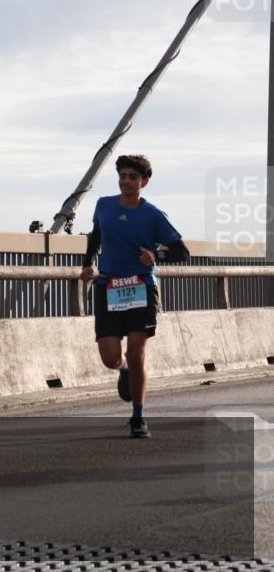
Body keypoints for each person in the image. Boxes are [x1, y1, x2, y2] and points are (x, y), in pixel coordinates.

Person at [79, 154, 190, 438]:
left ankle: (138, 417)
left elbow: (182, 252)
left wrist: (156, 255)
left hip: (141, 287)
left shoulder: (153, 214)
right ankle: (123, 368)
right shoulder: (104, 205)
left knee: (137, 352)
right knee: (110, 357)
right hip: (108, 286)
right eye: (123, 176)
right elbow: (96, 234)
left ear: (144, 182)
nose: (126, 182)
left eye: (133, 177)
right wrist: (87, 263)